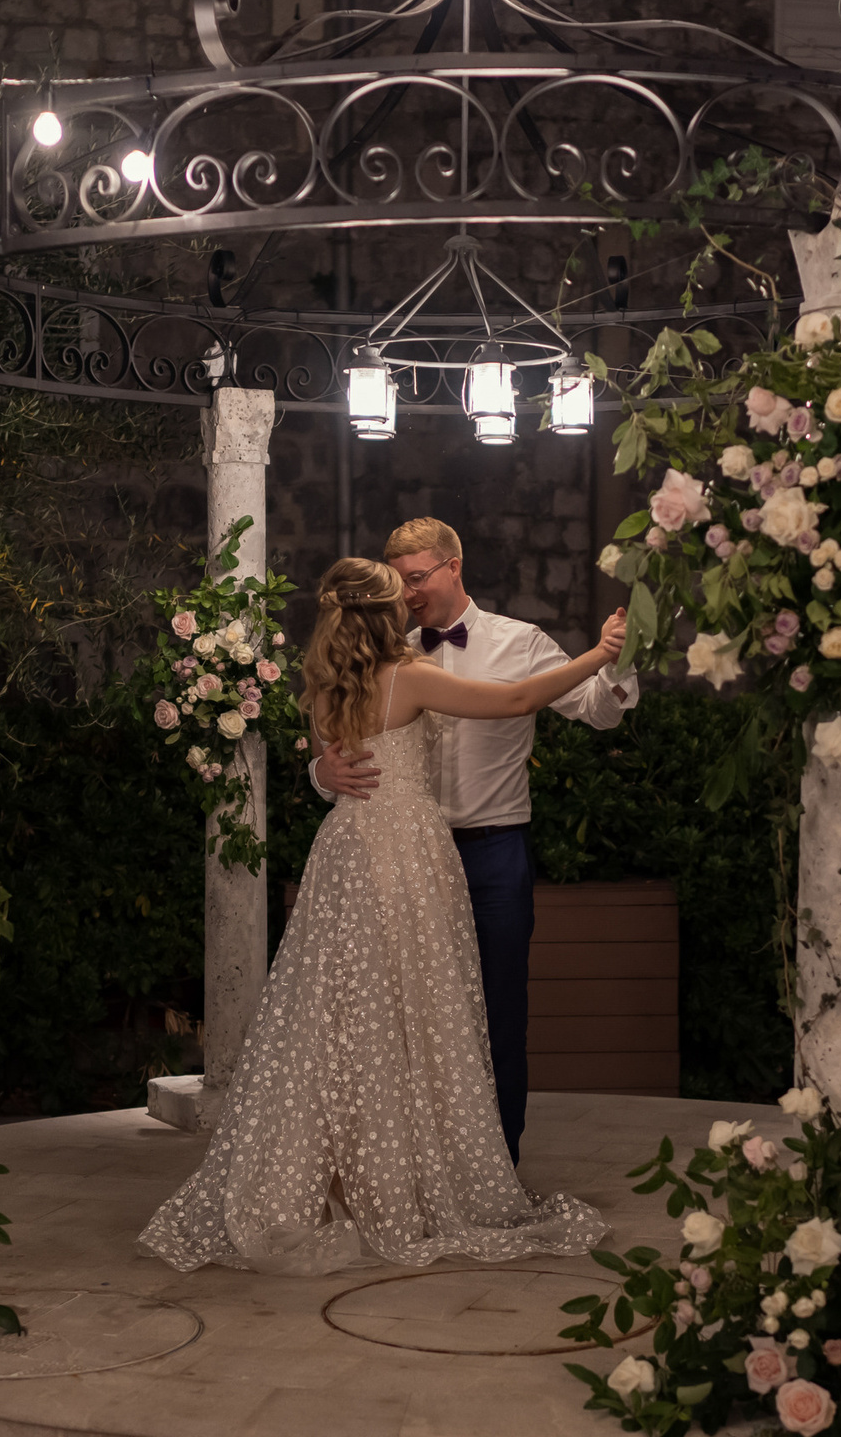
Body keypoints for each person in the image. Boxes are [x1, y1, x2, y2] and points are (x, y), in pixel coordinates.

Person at [138, 557, 617, 1276]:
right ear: (387, 613)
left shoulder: (324, 683)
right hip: (406, 853)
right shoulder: (409, 675)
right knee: (413, 1012)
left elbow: (337, 755)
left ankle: (345, 1178)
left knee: (339, 1016)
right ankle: (405, 1183)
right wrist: (599, 655)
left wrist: (323, 770)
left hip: (346, 852)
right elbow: (517, 701)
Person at [309, 518, 639, 1163]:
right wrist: (321, 772)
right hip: (399, 858)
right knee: (407, 1020)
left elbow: (599, 711)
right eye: (397, 582)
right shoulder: (384, 655)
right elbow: (343, 750)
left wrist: (619, 659)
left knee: (497, 1014)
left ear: (454, 566)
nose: (407, 594)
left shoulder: (521, 642)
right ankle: (419, 1168)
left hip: (491, 853)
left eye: (417, 578)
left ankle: (496, 1167)